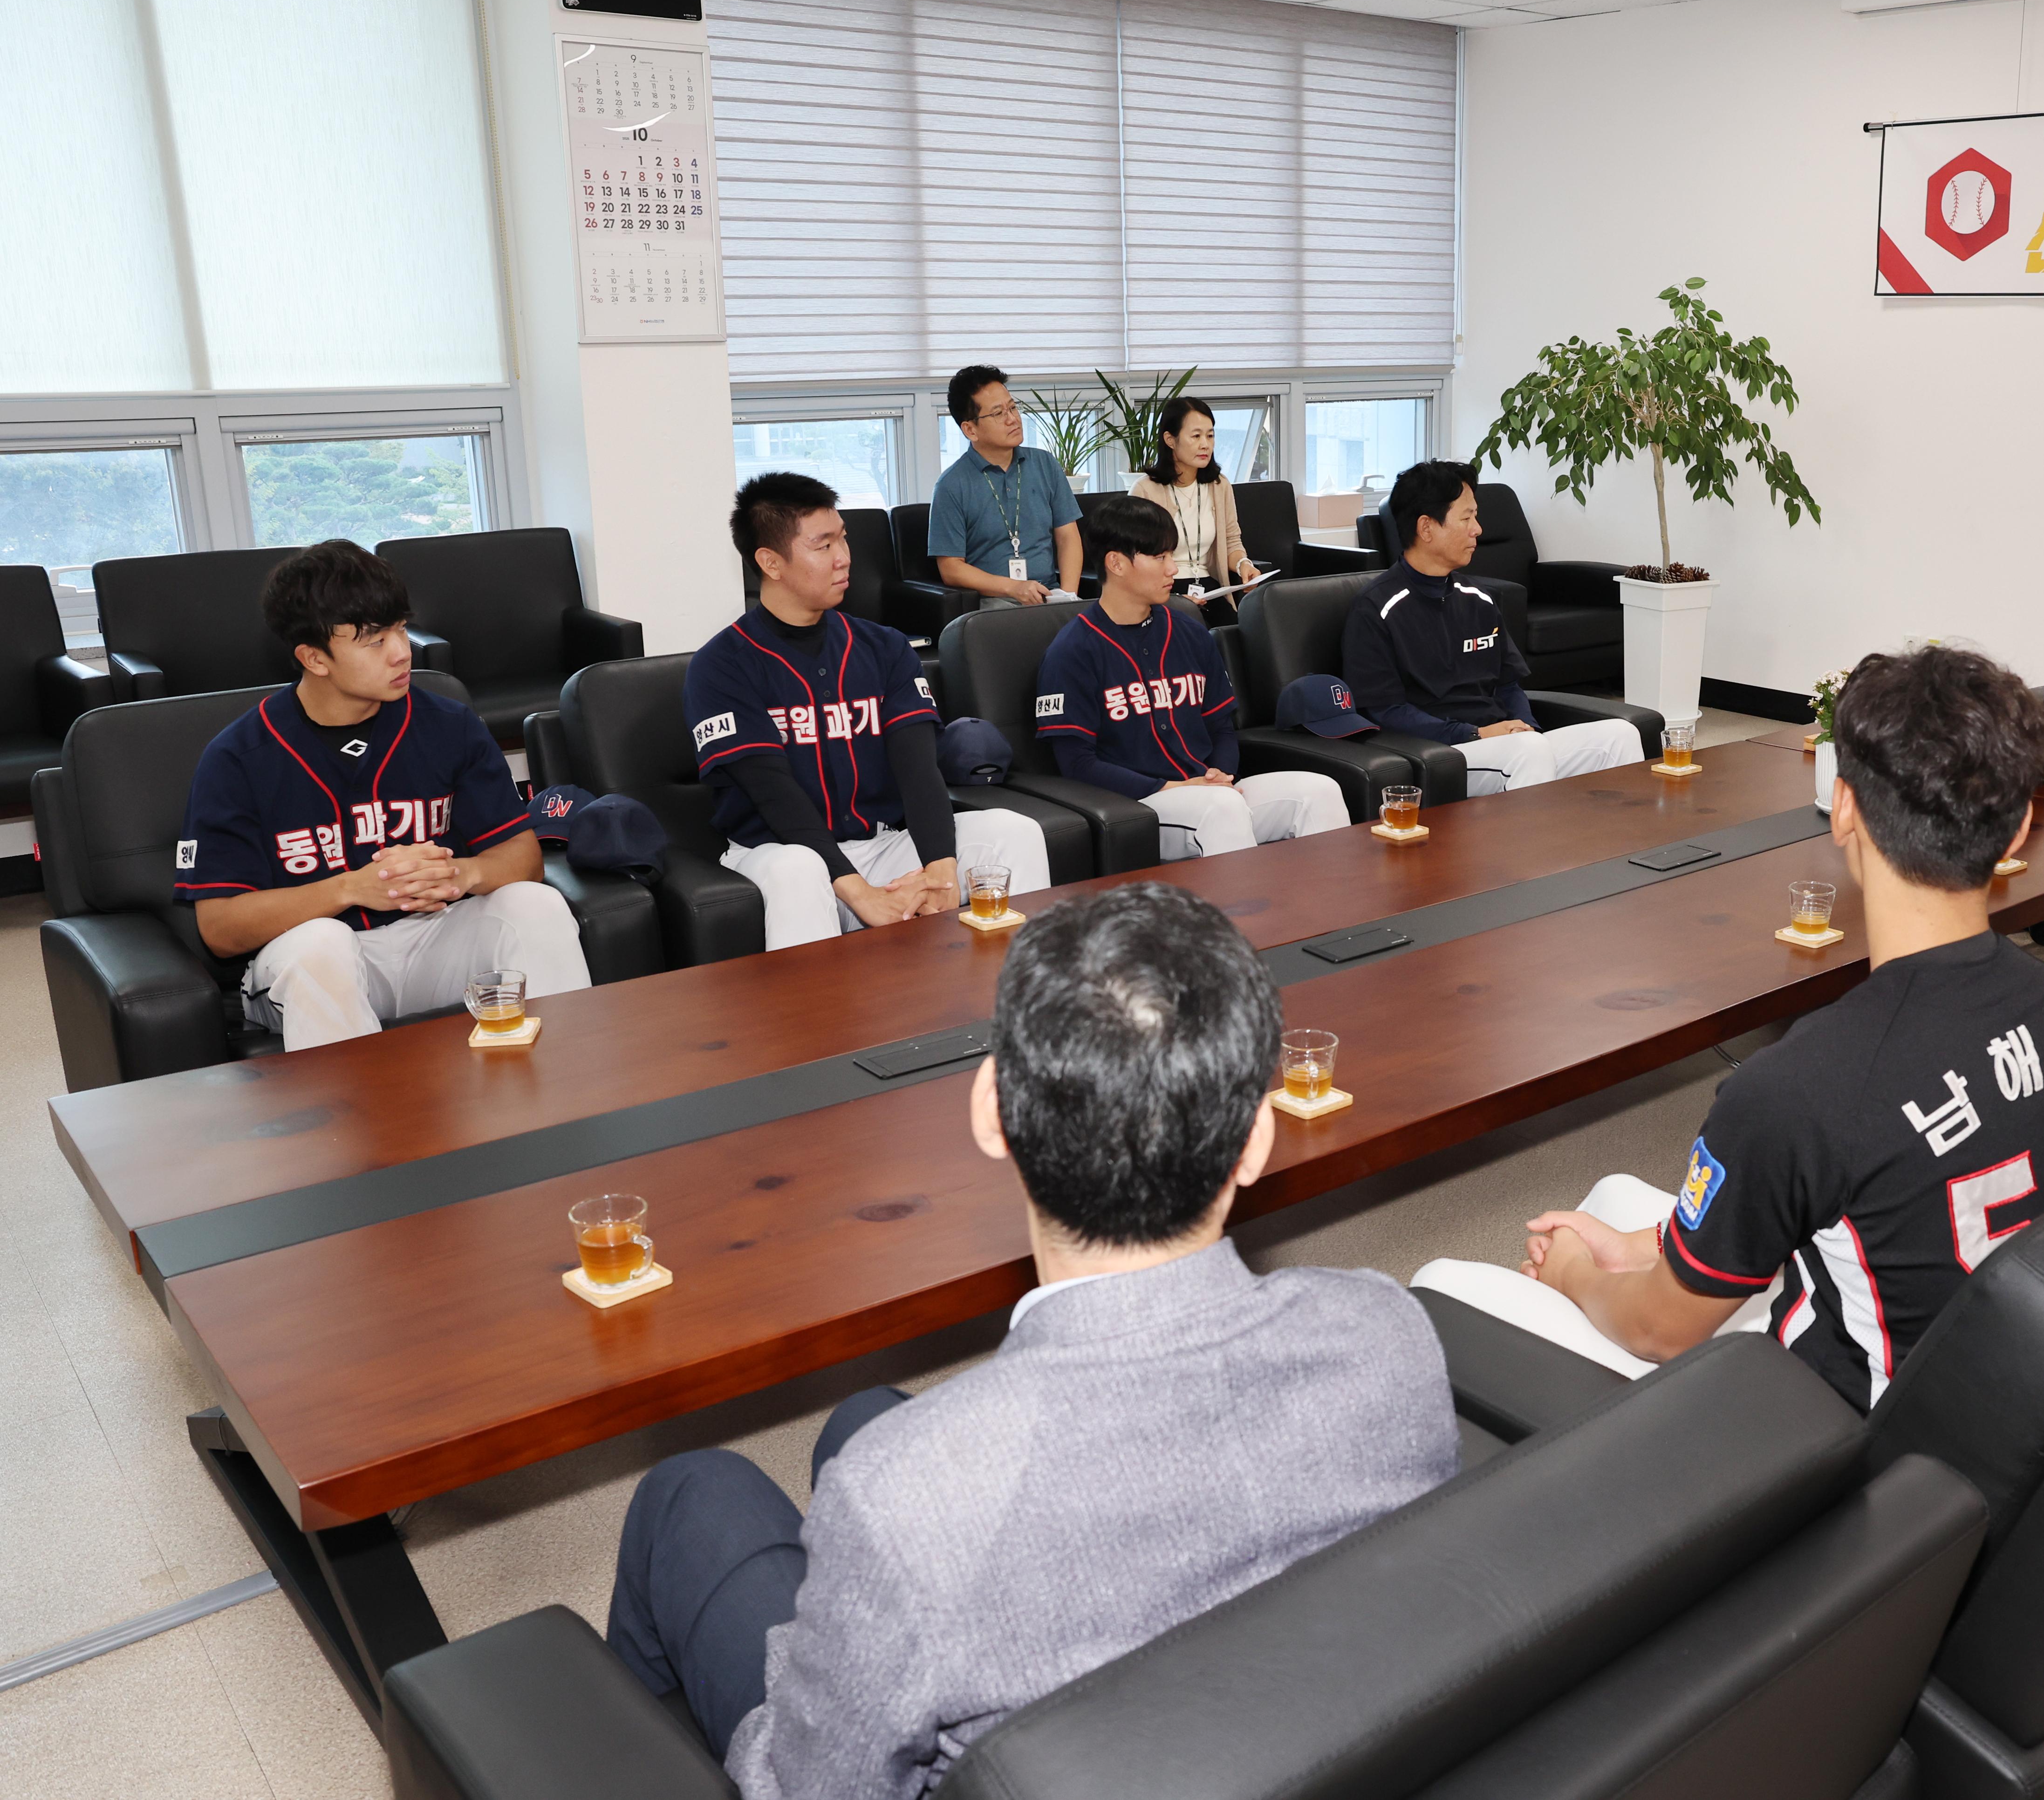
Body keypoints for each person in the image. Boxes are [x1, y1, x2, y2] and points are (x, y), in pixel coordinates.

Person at [606, 881, 1459, 1793]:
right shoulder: (1389, 1330)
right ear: (1256, 1138)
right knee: (864, 1419)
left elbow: (815, 1783)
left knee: (692, 1490)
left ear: (990, 1110)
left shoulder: (903, 1499)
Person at [1411, 646, 2044, 1411]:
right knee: (1612, 1196)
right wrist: (1628, 1250)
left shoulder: (1797, 1087)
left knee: (1439, 1285)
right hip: (1987, 1391)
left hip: (1820, 1451)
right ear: (2018, 831)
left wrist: (1575, 1270)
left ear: (1844, 810)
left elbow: (1660, 1331)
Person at [173, 541, 590, 1050]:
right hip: (308, 963)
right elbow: (219, 927)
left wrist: (461, 873)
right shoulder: (238, 757)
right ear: (313, 657)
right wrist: (349, 889)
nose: (401, 651)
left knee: (536, 905)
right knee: (321, 945)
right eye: (374, 640)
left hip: (432, 938)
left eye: (399, 627)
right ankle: (365, 1127)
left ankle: (571, 1093)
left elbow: (522, 858)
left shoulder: (449, 725)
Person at [689, 472, 1051, 950]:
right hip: (777, 852)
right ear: (770, 562)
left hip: (883, 843)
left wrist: (941, 871)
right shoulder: (721, 665)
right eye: (823, 545)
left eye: (843, 538)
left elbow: (918, 769)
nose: (843, 558)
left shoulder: (883, 647)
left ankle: (1020, 1000)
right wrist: (858, 892)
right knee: (799, 869)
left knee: (1011, 831)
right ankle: (820, 1023)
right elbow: (772, 795)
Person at [1034, 496, 1349, 861]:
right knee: (1221, 809)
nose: (1173, 569)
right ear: (1116, 563)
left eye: (1173, 556)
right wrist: (1173, 787)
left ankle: (1339, 918)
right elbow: (1077, 764)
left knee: (1319, 791)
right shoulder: (1072, 650)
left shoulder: (1189, 631)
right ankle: (1248, 920)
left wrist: (1221, 774)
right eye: (1160, 557)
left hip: (1210, 790)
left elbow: (1221, 727)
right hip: (1142, 805)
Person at [1341, 460, 1642, 795]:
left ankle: (1623, 847)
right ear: (1426, 528)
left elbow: (1509, 685)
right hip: (1446, 752)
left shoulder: (1479, 599)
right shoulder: (1376, 609)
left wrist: (1526, 728)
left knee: (1620, 735)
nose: (1478, 529)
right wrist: (1475, 734)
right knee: (1529, 752)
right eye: (1467, 518)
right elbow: (1385, 712)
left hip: (1507, 745)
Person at [927, 364, 1084, 608]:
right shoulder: (952, 485)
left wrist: (1068, 597)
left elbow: (1068, 538)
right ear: (971, 430)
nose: (1013, 419)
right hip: (994, 602)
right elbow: (951, 568)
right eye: (999, 413)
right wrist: (1014, 587)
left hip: (1050, 595)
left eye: (1013, 407)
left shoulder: (1045, 464)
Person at [1131, 395, 1265, 617]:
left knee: (1237, 633)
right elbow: (1137, 558)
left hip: (1209, 587)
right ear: (1170, 440)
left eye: (1210, 436)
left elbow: (1232, 540)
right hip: (1164, 591)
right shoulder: (1145, 490)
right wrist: (1174, 599)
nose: (1205, 444)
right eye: (1196, 436)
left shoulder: (1219, 486)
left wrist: (1244, 565)